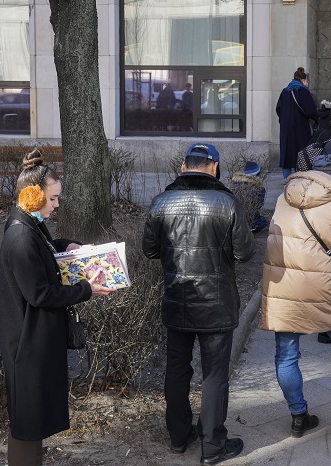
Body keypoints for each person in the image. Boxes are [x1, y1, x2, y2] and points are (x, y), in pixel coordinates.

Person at [0, 149, 116, 466]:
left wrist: (68, 246)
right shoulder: (21, 237)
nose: (57, 204)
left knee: (32, 421)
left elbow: (45, 250)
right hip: (27, 345)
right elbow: (41, 295)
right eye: (52, 199)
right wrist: (86, 290)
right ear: (34, 196)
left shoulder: (27, 223)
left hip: (31, 341)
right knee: (27, 424)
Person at [143, 144, 255, 465]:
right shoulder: (227, 203)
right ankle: (213, 446)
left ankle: (178, 437)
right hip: (217, 306)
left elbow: (149, 249)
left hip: (177, 301)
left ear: (182, 166)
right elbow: (245, 253)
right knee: (215, 374)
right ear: (215, 168)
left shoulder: (161, 203)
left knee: (177, 370)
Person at [262, 164, 331, 438]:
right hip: (325, 286)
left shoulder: (283, 198)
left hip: (284, 286)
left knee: (286, 353)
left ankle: (298, 416)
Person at [276, 67, 318, 179]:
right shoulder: (303, 92)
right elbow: (311, 110)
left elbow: (278, 109)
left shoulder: (285, 91)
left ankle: (286, 179)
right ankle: (300, 178)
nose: (307, 84)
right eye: (307, 81)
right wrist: (317, 120)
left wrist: (284, 120)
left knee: (287, 154)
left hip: (286, 128)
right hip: (301, 128)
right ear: (303, 80)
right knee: (301, 153)